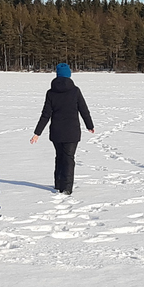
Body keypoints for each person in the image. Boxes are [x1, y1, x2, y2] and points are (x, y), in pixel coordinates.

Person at [31, 63, 95, 195]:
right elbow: (84, 109)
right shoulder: (75, 91)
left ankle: (58, 184)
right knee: (68, 158)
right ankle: (66, 188)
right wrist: (90, 125)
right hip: (72, 132)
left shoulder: (51, 92)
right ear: (69, 74)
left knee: (60, 157)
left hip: (57, 132)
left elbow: (45, 114)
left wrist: (37, 133)